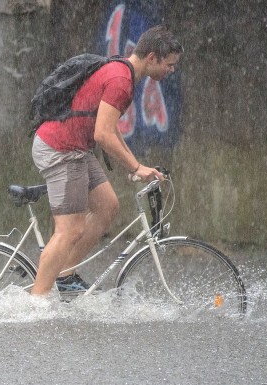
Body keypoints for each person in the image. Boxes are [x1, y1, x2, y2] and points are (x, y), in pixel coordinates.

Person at [30, 25, 183, 296]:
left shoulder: (123, 72)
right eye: (169, 64)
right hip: (61, 149)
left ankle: (64, 276)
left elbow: (110, 130)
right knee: (70, 229)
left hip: (75, 148)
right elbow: (102, 134)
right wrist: (136, 167)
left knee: (107, 206)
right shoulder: (121, 81)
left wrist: (136, 165)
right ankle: (37, 301)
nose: (171, 70)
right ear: (151, 58)